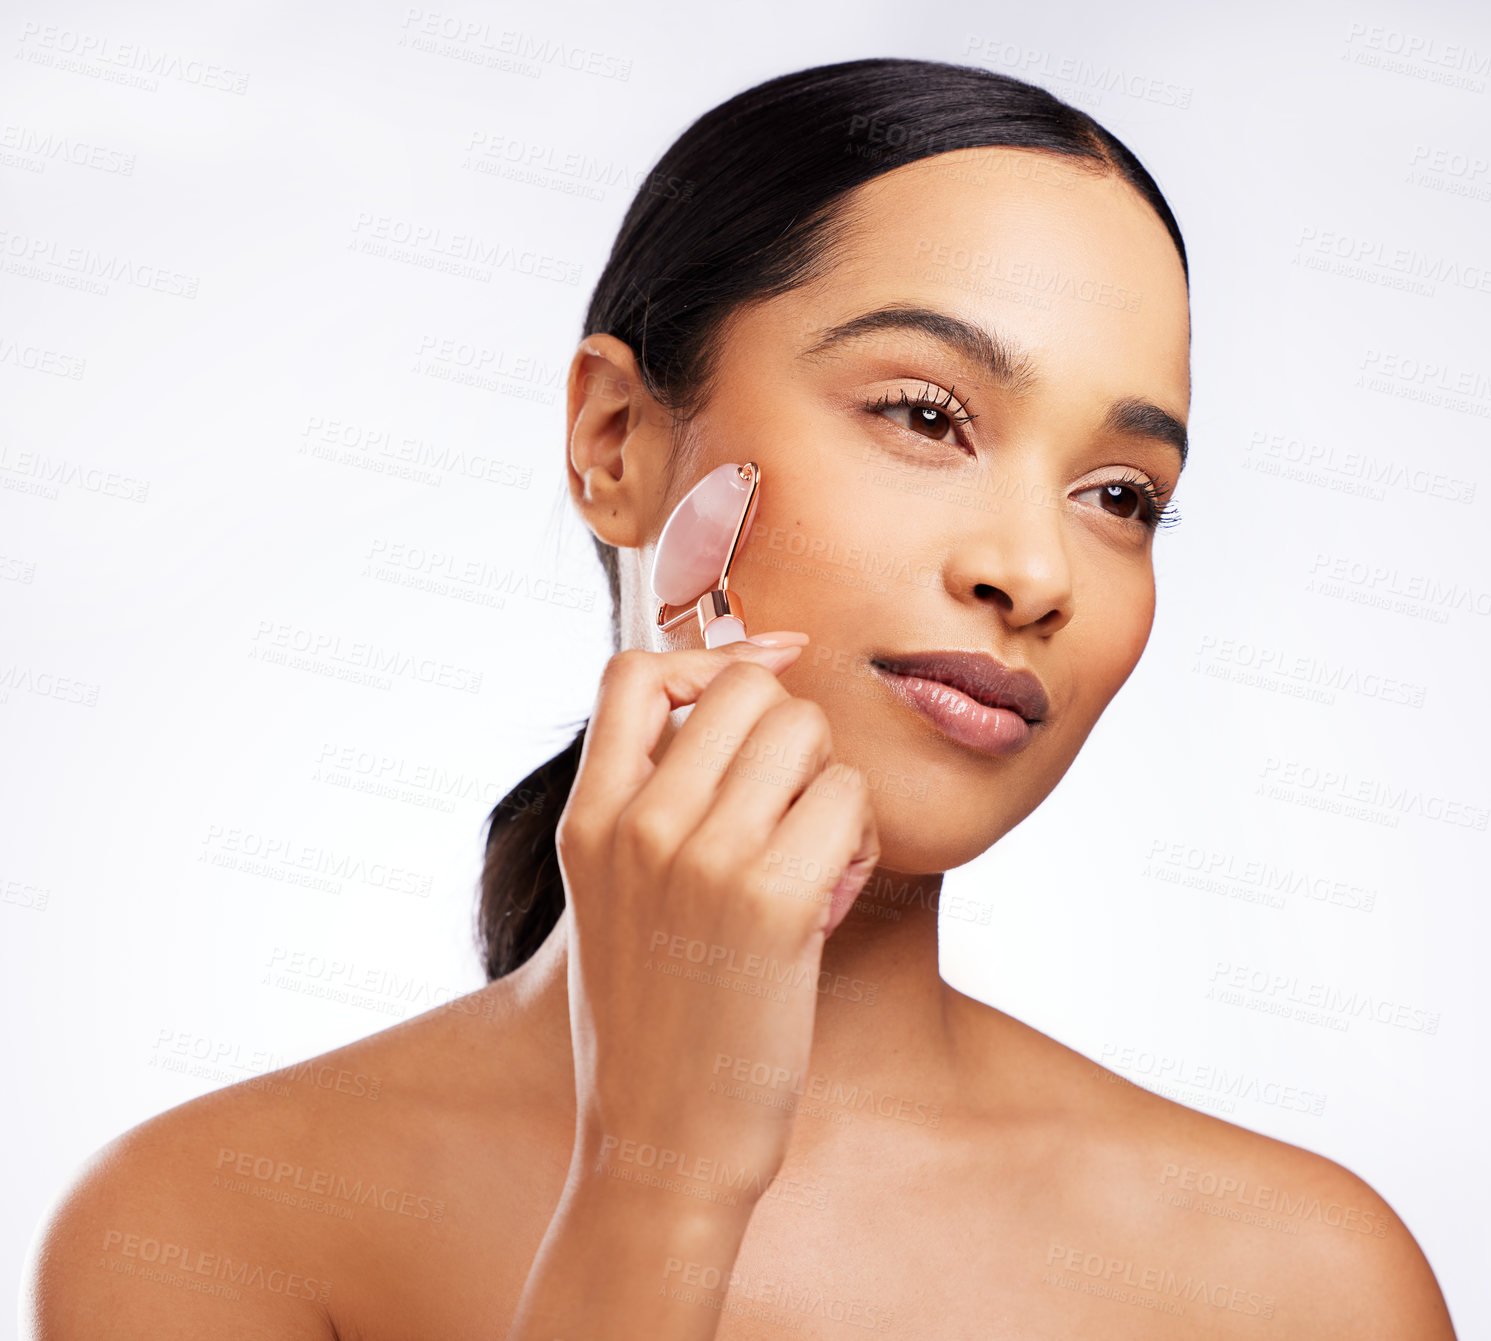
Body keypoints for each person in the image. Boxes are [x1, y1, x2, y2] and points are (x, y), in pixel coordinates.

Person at [22, 57, 1458, 1339]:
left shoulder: (1302, 1280)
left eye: (1121, 495)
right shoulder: (211, 1225)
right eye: (925, 413)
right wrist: (665, 1176)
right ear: (614, 439)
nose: (1033, 571)